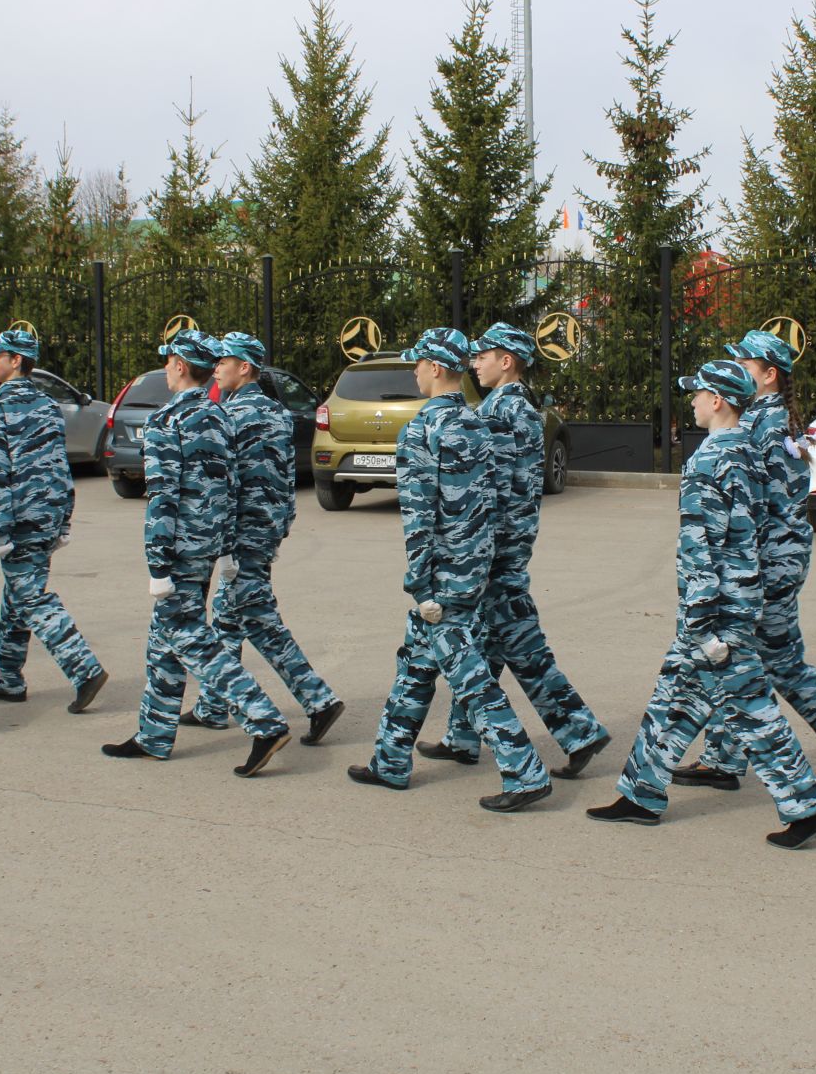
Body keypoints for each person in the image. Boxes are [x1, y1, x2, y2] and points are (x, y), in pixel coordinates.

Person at [586, 359, 816, 848]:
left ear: (718, 400)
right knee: (672, 696)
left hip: (717, 609)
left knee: (749, 705)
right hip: (742, 597)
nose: (693, 403)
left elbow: (701, 546)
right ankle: (640, 792)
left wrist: (700, 621)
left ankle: (806, 806)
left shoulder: (708, 459)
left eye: (697, 395)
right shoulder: (747, 451)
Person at [668, 329, 816, 805]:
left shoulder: (760, 426)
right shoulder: (776, 421)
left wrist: (745, 577)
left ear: (769, 375)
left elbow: (757, 510)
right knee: (759, 661)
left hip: (767, 564)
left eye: (744, 364)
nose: (736, 371)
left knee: (763, 662)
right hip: (780, 559)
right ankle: (725, 760)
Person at [346, 326, 552, 813]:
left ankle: (524, 770)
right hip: (474, 567)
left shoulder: (423, 429)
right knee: (416, 662)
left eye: (417, 365)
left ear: (435, 368)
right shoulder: (475, 423)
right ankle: (391, 759)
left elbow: (419, 517)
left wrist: (420, 581)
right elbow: (493, 501)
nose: (414, 373)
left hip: (442, 578)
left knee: (468, 674)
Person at [417, 321, 608, 776]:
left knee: (508, 644)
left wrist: (469, 548)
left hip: (496, 547)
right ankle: (466, 738)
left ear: (507, 362)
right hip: (509, 542)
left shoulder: (501, 414)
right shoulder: (519, 409)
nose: (474, 364)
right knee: (498, 642)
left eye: (482, 356)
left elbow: (488, 490)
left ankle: (578, 732)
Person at [103, 330, 291, 775]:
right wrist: (224, 550)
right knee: (162, 641)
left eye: (169, 361)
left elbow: (162, 497)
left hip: (178, 548)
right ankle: (154, 733)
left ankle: (263, 719)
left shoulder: (168, 420)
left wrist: (157, 564)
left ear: (180, 366)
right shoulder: (216, 416)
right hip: (207, 546)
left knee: (187, 635)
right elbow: (230, 487)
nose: (166, 369)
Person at [183, 330, 345, 743]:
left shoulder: (232, 414)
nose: (216, 367)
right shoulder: (276, 411)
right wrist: (280, 523)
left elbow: (228, 480)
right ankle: (213, 706)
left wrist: (221, 542)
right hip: (267, 527)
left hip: (242, 532)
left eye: (225, 361)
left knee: (257, 618)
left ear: (246, 368)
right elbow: (287, 474)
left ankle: (319, 700)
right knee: (226, 615)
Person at [0, 327, 109, 713]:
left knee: (30, 597)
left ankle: (84, 669)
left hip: (17, 518)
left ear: (15, 361)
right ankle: (9, 679)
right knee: (17, 595)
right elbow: (59, 467)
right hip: (47, 513)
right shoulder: (48, 406)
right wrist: (65, 517)